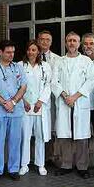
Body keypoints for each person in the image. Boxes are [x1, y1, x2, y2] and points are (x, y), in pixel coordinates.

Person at [52, 32, 94, 178]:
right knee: (64, 136)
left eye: (75, 41)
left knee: (82, 136)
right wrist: (65, 96)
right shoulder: (59, 61)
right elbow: (54, 81)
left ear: (79, 44)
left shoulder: (86, 61)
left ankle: (82, 166)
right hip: (64, 102)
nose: (72, 43)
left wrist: (74, 97)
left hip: (79, 102)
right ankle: (66, 164)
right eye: (69, 40)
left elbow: (90, 82)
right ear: (65, 43)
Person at [0, 40, 27, 181]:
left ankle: (13, 169)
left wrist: (13, 102)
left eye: (13, 52)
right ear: (0, 52)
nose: (11, 55)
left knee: (15, 140)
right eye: (8, 52)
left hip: (16, 110)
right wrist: (4, 103)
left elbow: (23, 86)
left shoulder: (18, 67)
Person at [18, 40, 52, 177]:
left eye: (34, 50)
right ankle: (24, 164)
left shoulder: (45, 66)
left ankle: (40, 164)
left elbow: (48, 85)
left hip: (40, 107)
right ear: (26, 51)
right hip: (25, 106)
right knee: (25, 136)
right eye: (29, 50)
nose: (31, 52)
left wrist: (40, 102)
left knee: (40, 136)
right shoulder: (20, 66)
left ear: (38, 52)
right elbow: (17, 86)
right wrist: (23, 101)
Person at [37, 30, 61, 165]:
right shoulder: (32, 56)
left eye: (47, 40)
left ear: (51, 42)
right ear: (38, 40)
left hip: (52, 99)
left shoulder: (58, 59)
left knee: (51, 129)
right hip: (37, 100)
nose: (44, 42)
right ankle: (38, 157)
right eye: (42, 39)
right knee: (37, 129)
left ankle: (51, 156)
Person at [82, 33, 94, 172]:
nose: (88, 46)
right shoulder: (79, 61)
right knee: (83, 137)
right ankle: (82, 164)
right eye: (86, 44)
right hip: (82, 106)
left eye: (91, 44)